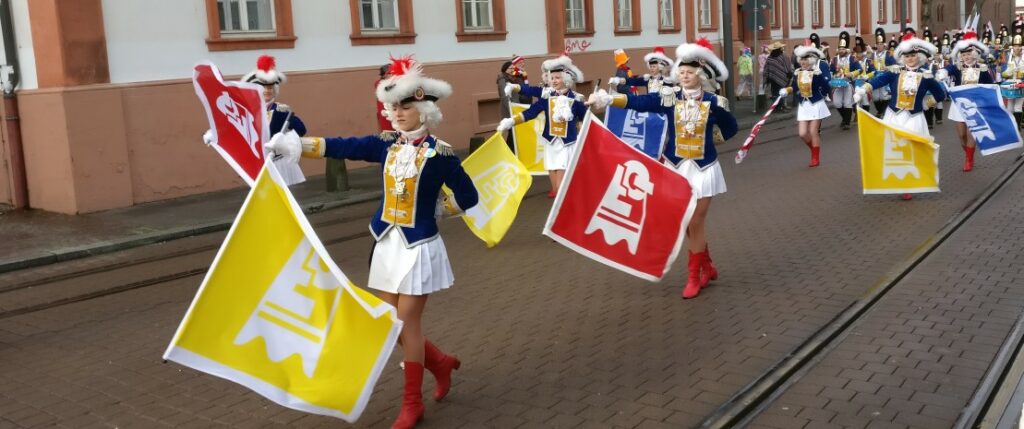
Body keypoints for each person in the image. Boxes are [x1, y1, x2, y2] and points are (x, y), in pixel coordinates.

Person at [265, 56, 479, 429]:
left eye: (405, 106)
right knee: (390, 325)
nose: (396, 113)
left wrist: (443, 207)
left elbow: (469, 194)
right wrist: (297, 145)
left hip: (420, 246)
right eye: (392, 106)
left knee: (405, 321)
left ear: (424, 109)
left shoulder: (441, 154)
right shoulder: (384, 144)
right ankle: (441, 363)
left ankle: (412, 403)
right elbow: (343, 146)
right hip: (386, 242)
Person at [587, 38, 738, 299]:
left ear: (700, 75)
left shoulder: (715, 101)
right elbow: (640, 104)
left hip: (704, 168)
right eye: (681, 72)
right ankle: (706, 265)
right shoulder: (669, 98)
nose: (685, 76)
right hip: (676, 167)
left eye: (690, 72)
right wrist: (609, 100)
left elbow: (731, 128)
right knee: (687, 223)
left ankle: (693, 276)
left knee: (695, 220)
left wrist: (717, 130)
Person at [856, 32, 947, 200]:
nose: (910, 59)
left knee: (911, 148)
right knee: (894, 147)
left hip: (914, 116)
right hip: (894, 115)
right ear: (902, 57)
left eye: (913, 55)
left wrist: (928, 103)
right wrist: (863, 89)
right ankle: (897, 180)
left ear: (918, 56)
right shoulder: (895, 72)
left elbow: (940, 94)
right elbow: (879, 81)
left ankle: (908, 184)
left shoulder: (926, 76)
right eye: (907, 56)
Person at [497, 55, 588, 199]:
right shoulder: (547, 96)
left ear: (566, 79)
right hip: (551, 142)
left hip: (567, 143)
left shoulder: (576, 99)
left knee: (561, 189)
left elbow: (586, 118)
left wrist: (588, 113)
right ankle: (562, 207)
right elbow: (531, 112)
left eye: (557, 78)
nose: (554, 81)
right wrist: (512, 121)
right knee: (553, 172)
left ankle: (563, 205)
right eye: (552, 78)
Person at [939, 29, 993, 172]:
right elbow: (947, 70)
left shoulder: (982, 69)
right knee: (961, 134)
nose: (966, 57)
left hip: (975, 106)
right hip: (959, 105)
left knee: (971, 133)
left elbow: (991, 86)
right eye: (963, 54)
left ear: (974, 54)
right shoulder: (957, 67)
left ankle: (969, 159)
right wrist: (942, 72)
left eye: (968, 54)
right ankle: (968, 153)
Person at [781, 41, 830, 167]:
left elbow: (826, 87)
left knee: (813, 131)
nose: (803, 62)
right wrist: (787, 90)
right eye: (801, 60)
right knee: (802, 134)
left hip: (816, 104)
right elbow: (794, 87)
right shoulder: (797, 73)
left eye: (806, 60)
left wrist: (821, 93)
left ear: (811, 61)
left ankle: (815, 157)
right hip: (804, 105)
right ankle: (814, 149)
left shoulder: (816, 73)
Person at [497, 57, 534, 150]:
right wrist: (513, 108)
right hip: (511, 109)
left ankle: (512, 151)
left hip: (518, 107)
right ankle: (508, 151)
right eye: (510, 68)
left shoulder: (516, 77)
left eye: (513, 68)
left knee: (515, 132)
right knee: (512, 132)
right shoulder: (503, 79)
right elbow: (505, 96)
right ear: (505, 69)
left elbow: (523, 91)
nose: (512, 70)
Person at [609, 46, 676, 97]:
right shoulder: (648, 79)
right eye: (651, 66)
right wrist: (618, 80)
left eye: (654, 67)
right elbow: (632, 82)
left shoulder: (666, 81)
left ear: (660, 68)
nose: (652, 68)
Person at [831, 31, 862, 130]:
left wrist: (851, 74)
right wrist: (834, 75)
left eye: (843, 49)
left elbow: (860, 69)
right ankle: (845, 118)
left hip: (848, 84)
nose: (841, 50)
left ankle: (847, 122)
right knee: (837, 103)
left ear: (846, 49)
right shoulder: (834, 59)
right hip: (838, 84)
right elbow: (830, 70)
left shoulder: (852, 58)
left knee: (847, 103)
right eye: (840, 49)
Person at [871, 28, 898, 117]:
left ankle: (882, 111)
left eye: (881, 44)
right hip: (875, 76)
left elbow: (894, 65)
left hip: (885, 76)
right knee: (875, 96)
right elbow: (870, 65)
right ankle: (880, 110)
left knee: (883, 95)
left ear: (884, 45)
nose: (879, 46)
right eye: (878, 44)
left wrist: (888, 68)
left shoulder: (888, 54)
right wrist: (873, 71)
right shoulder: (873, 54)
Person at [1002, 19, 1024, 129]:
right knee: (1010, 105)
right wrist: (1007, 73)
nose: (1017, 48)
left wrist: (1021, 73)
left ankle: (1017, 125)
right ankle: (1011, 124)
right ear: (1012, 46)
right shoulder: (1007, 56)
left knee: (1018, 106)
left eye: (1020, 46)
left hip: (1022, 84)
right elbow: (1003, 71)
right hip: (1010, 83)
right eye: (1015, 46)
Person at [764, 42, 794, 112]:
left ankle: (777, 107)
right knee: (781, 92)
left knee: (774, 93)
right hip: (783, 78)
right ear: (780, 49)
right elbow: (788, 67)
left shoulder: (770, 57)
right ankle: (781, 107)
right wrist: (789, 75)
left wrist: (768, 77)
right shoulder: (783, 56)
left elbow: (767, 68)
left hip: (772, 79)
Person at [376, 63, 395, 132]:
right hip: (385, 115)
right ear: (384, 75)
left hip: (395, 114)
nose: (393, 75)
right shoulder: (379, 83)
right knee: (389, 136)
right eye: (390, 73)